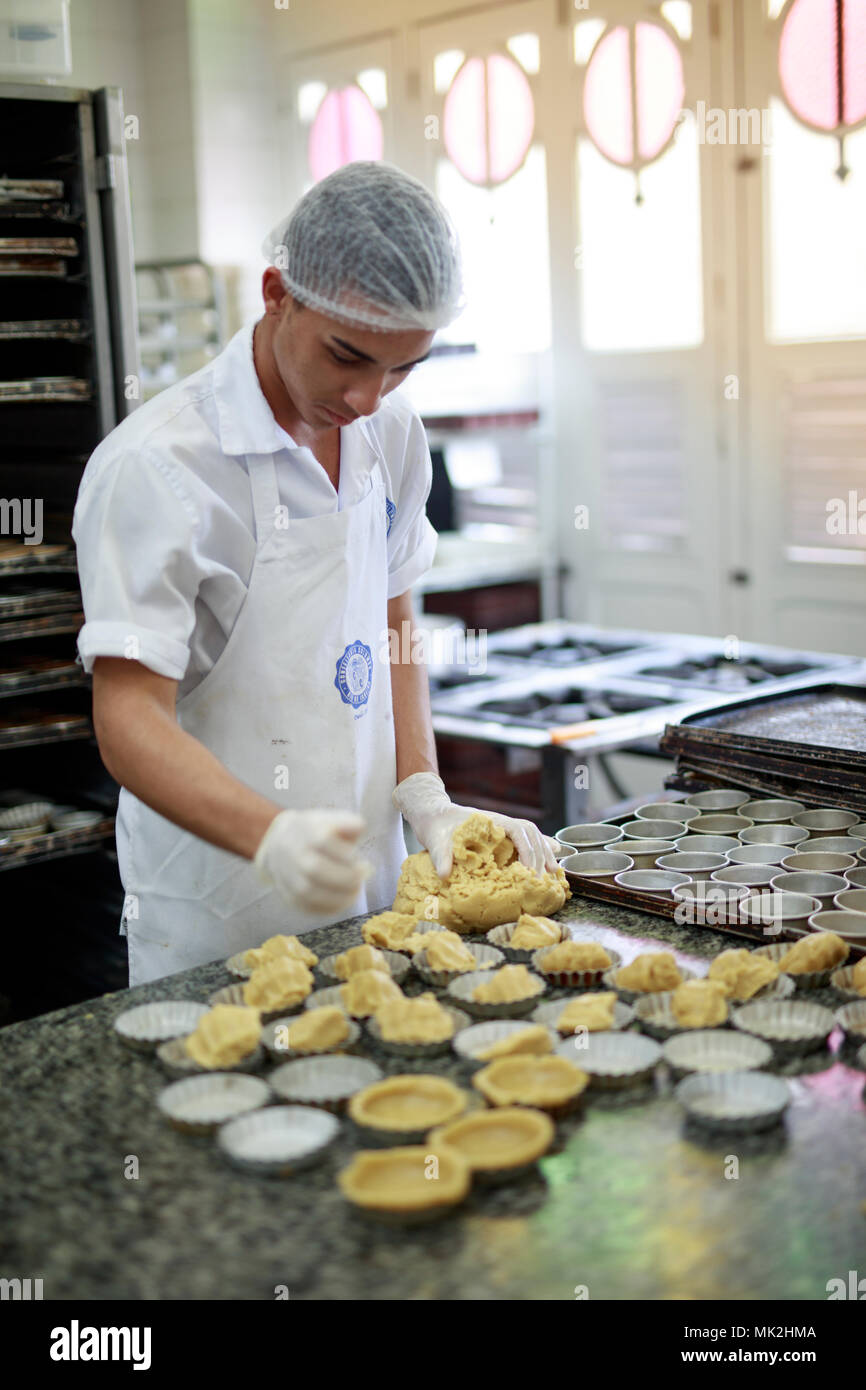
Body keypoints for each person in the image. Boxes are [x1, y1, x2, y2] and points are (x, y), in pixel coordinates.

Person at [72, 161, 559, 986]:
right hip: (219, 913)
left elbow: (392, 616)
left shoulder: (392, 438)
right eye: (348, 356)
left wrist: (424, 790)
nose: (369, 396)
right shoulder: (160, 469)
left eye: (404, 368)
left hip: (375, 900)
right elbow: (127, 717)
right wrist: (269, 834)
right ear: (276, 294)